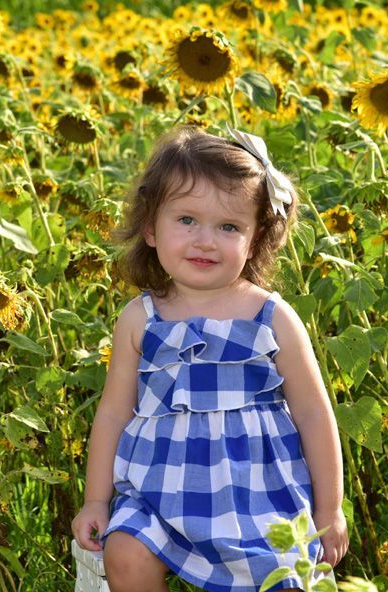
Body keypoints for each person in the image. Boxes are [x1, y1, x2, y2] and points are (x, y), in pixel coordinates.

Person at [72, 125, 348, 592]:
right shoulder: (140, 318)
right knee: (125, 550)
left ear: (257, 237)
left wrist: (330, 509)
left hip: (258, 490)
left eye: (228, 227)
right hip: (159, 488)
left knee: (286, 574)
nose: (205, 241)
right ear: (150, 228)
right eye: (186, 220)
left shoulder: (272, 317)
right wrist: (96, 500)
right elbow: (115, 411)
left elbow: (314, 414)